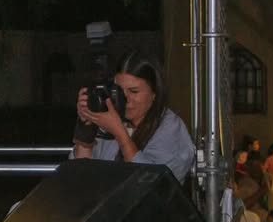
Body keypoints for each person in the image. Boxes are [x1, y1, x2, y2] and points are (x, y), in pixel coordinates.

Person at [73, 49, 194, 182]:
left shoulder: (170, 128)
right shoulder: (108, 119)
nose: (125, 98)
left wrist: (120, 134)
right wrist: (86, 125)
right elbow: (81, 176)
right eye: (119, 90)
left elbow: (152, 183)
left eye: (134, 91)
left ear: (155, 93)